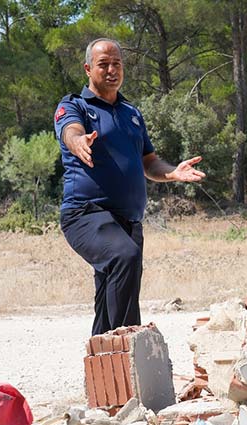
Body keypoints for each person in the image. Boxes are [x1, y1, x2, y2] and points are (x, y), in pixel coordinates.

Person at [54, 38, 205, 336]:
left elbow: (149, 163)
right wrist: (78, 142)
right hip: (86, 215)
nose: (112, 70)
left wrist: (173, 172)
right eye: (103, 64)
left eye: (117, 64)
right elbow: (70, 131)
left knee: (109, 293)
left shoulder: (131, 113)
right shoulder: (75, 106)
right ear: (87, 68)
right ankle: (125, 345)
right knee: (125, 256)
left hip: (128, 222)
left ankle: (102, 368)